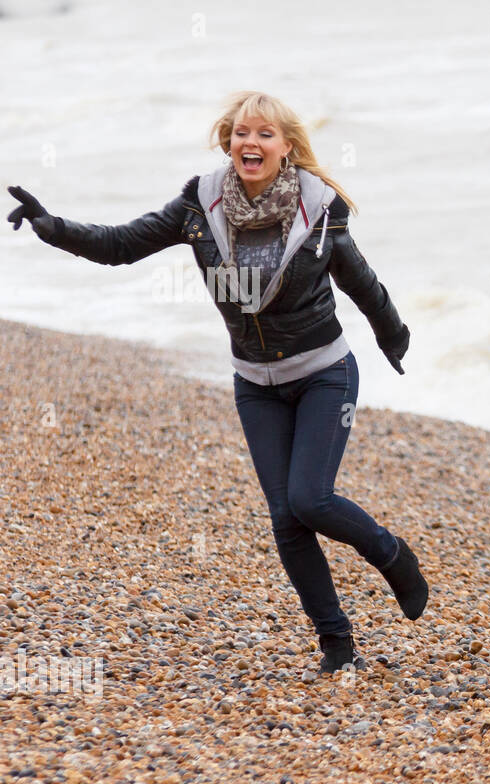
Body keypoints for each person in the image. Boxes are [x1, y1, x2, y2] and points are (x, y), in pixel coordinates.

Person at [7, 90, 429, 674]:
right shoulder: (199, 205)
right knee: (286, 519)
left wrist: (393, 334)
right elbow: (123, 245)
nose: (249, 143)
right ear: (229, 141)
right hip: (255, 382)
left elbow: (361, 280)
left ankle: (391, 554)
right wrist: (53, 226)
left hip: (323, 373)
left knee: (311, 499)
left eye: (264, 134)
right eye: (240, 133)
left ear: (286, 148)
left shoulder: (318, 210)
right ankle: (337, 644)